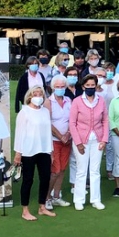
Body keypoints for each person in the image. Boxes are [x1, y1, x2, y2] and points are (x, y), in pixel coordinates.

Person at [69, 74, 108, 211]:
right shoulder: (77, 101)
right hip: (81, 141)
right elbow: (72, 123)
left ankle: (96, 199)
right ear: (83, 86)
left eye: (93, 85)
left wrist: (104, 139)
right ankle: (79, 200)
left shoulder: (101, 100)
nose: (91, 88)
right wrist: (78, 142)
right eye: (88, 86)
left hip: (97, 140)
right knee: (81, 171)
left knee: (95, 171)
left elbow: (105, 121)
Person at [47, 75, 73, 207]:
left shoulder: (69, 100)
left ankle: (57, 196)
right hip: (54, 140)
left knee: (62, 169)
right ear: (53, 88)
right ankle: (47, 197)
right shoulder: (49, 102)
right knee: (55, 170)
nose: (60, 89)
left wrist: (68, 134)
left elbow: (72, 119)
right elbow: (48, 122)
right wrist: (60, 136)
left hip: (67, 140)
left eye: (62, 87)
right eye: (57, 87)